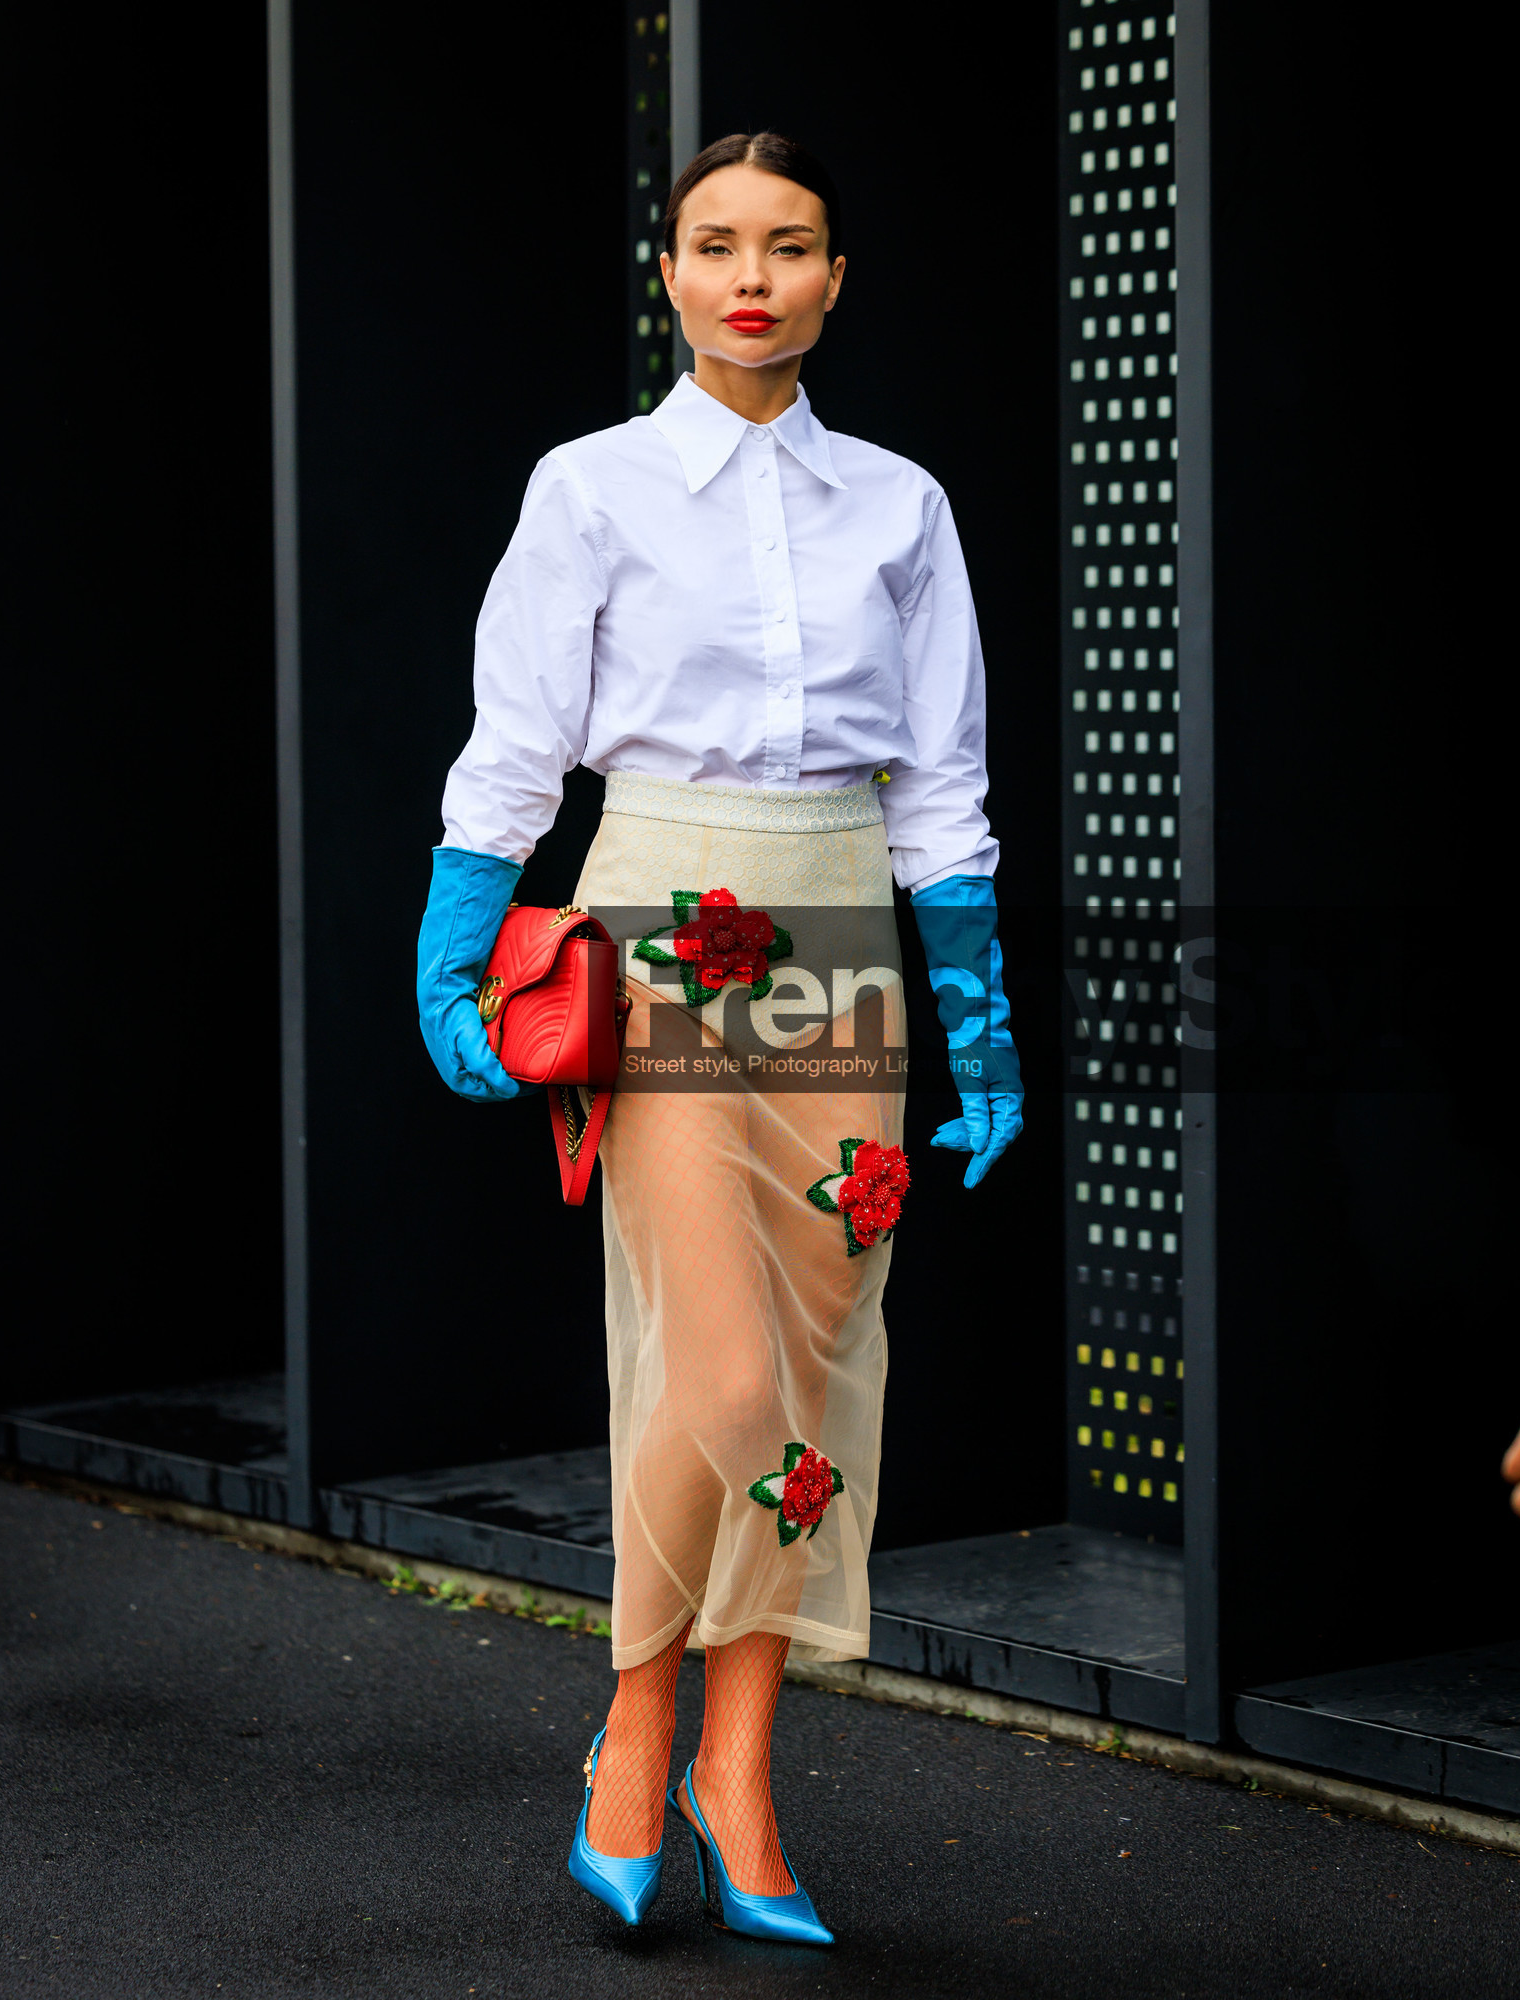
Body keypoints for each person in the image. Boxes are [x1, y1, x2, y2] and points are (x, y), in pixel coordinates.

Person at [415, 132, 1022, 1945]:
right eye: (715, 244)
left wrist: (977, 1025)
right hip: (657, 934)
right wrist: (457, 956)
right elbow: (517, 745)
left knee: (820, 1388)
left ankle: (740, 1776)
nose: (752, 274)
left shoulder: (905, 506)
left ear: (840, 278)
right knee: (727, 1379)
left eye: (793, 245)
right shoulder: (589, 489)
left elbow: (947, 787)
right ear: (666, 273)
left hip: (847, 955)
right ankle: (638, 1719)